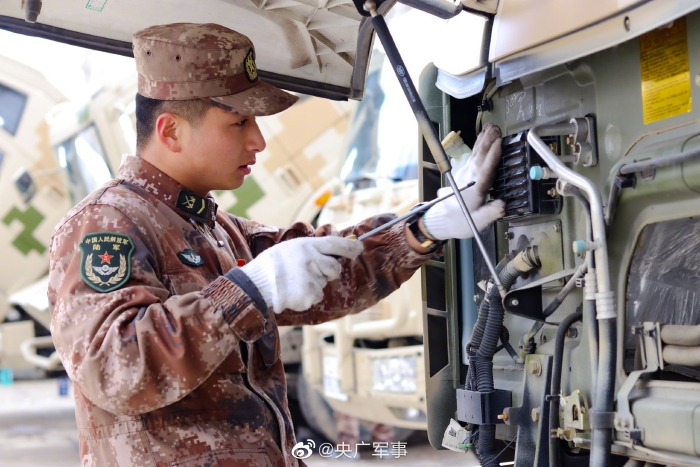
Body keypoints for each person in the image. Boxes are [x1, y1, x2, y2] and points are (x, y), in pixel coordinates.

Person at [47, 23, 505, 467]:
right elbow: (115, 370)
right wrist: (246, 292)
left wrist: (423, 227)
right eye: (239, 122)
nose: (258, 140)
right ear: (170, 131)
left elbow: (328, 268)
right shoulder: (105, 225)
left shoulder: (215, 227)